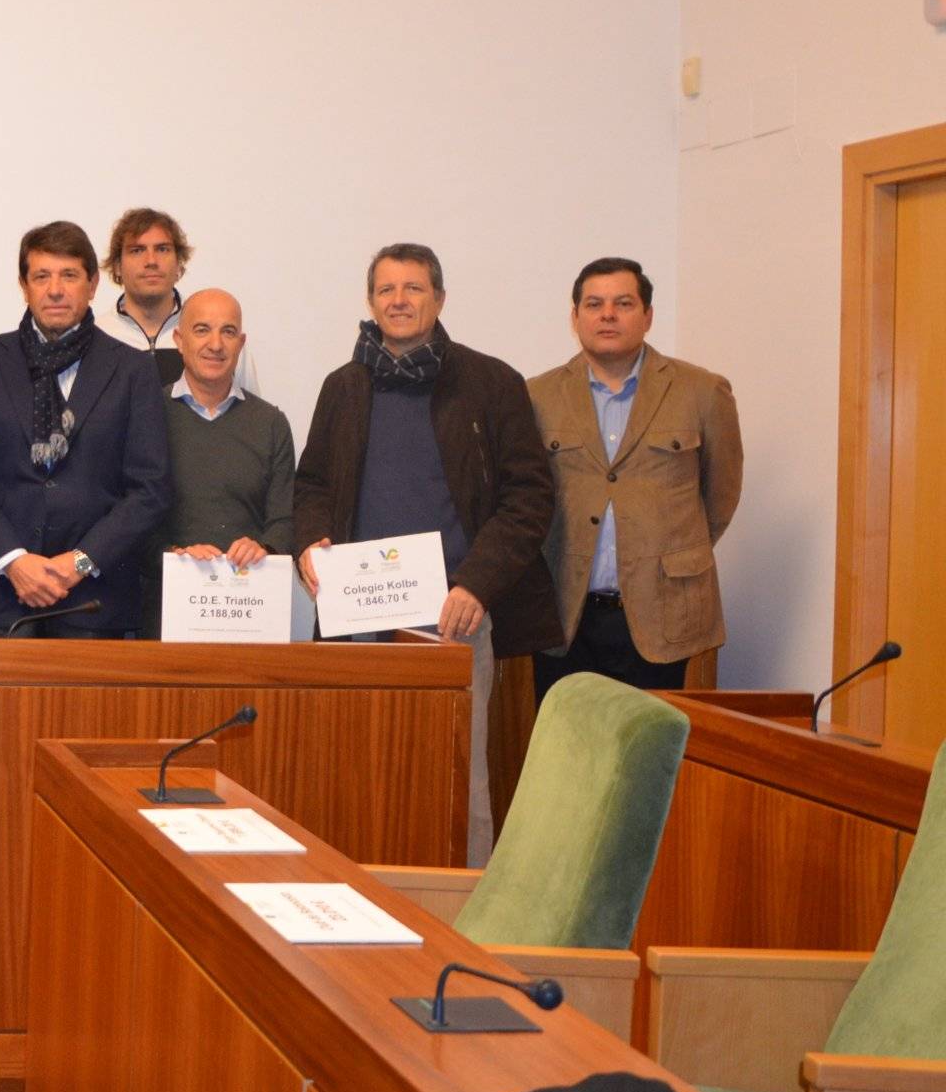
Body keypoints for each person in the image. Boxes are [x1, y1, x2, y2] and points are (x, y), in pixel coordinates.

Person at [294, 242, 557, 861]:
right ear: (370, 301)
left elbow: (528, 497)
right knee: (354, 769)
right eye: (386, 289)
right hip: (358, 617)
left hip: (453, 615)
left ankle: (465, 910)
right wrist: (310, 543)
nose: (399, 300)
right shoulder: (344, 386)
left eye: (413, 288)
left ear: (439, 298)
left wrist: (477, 585)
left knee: (459, 776)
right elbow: (312, 484)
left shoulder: (491, 382)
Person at [527, 257, 743, 696]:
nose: (607, 314)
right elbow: (528, 498)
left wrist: (670, 554)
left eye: (623, 303)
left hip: (664, 614)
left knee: (653, 753)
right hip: (567, 616)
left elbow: (719, 497)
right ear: (575, 317)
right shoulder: (537, 396)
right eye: (594, 304)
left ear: (647, 316)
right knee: (572, 753)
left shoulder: (702, 392)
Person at [0, 221, 171, 638]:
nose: (55, 289)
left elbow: (150, 489)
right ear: (24, 285)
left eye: (69, 275)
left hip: (94, 603)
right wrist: (14, 559)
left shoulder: (132, 370)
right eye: (42, 276)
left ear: (92, 284)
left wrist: (81, 562)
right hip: (1, 601)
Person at [146, 287, 294, 635]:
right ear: (179, 340)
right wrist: (174, 554)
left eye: (228, 332)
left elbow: (285, 518)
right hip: (166, 617)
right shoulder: (147, 416)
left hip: (252, 617)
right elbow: (133, 514)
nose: (216, 344)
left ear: (241, 344)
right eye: (202, 330)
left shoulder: (270, 423)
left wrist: (264, 547)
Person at [95, 207, 260, 393]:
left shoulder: (220, 337)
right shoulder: (98, 337)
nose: (151, 261)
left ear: (179, 262)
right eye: (137, 250)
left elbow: (251, 414)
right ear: (117, 266)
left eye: (162, 249)